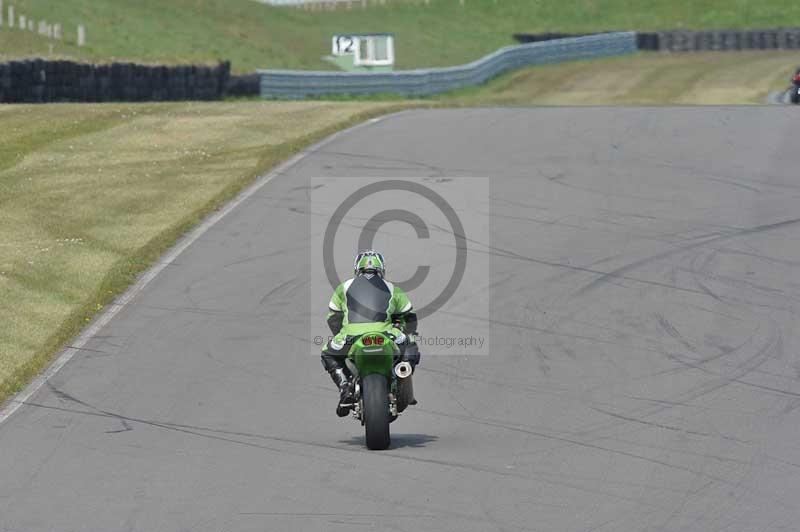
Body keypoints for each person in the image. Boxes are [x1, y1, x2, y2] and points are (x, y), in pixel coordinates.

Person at [321, 250, 421, 417]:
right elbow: (409, 317)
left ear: (357, 269)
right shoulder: (392, 288)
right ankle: (402, 375)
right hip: (385, 334)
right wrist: (404, 330)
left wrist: (341, 333)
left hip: (351, 336)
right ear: (381, 269)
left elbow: (333, 318)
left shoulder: (343, 288)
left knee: (327, 353)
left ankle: (345, 388)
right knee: (410, 343)